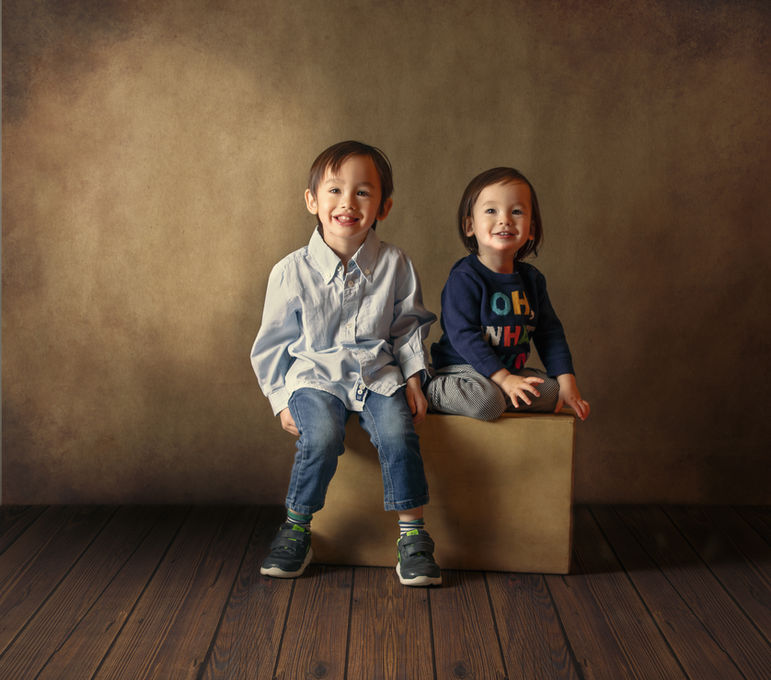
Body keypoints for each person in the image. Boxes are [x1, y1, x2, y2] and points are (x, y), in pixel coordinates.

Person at [250, 140, 441, 586]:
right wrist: (280, 399)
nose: (347, 203)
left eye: (362, 192)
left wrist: (415, 380)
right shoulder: (291, 271)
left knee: (398, 434)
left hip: (378, 375)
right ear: (312, 200)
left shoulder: (396, 264)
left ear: (383, 206)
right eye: (334, 190)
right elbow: (272, 344)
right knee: (320, 436)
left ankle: (413, 537)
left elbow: (407, 328)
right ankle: (296, 529)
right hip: (314, 377)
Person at [428, 167, 590, 422]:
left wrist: (567, 381)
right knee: (487, 401)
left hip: (508, 372)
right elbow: (463, 335)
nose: (505, 220)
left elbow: (550, 334)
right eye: (491, 211)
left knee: (553, 392)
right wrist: (503, 378)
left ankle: (501, 395)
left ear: (531, 228)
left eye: (516, 212)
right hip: (464, 370)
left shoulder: (532, 280)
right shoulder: (465, 278)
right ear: (470, 225)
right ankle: (434, 391)